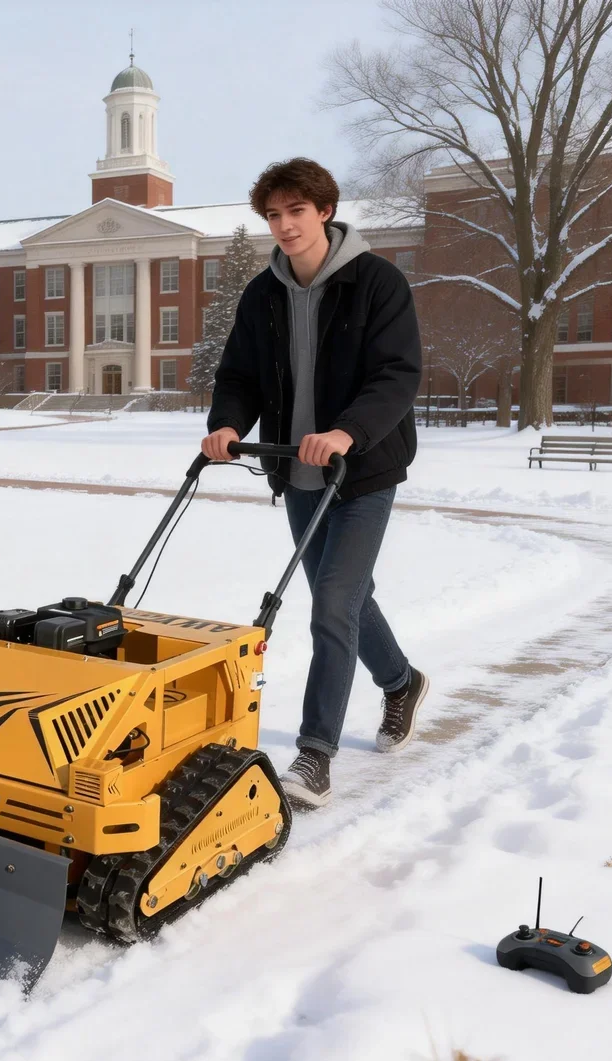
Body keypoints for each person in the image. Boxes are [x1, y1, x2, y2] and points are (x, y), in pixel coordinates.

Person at [201, 158, 428, 809]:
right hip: (299, 476)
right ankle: (401, 681)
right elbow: (238, 375)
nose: (284, 226)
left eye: (296, 211)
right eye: (273, 215)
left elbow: (397, 374)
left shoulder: (376, 283)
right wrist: (225, 425)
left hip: (363, 471)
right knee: (346, 598)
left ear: (324, 211)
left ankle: (316, 753)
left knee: (332, 602)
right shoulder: (262, 294)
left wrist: (346, 432)